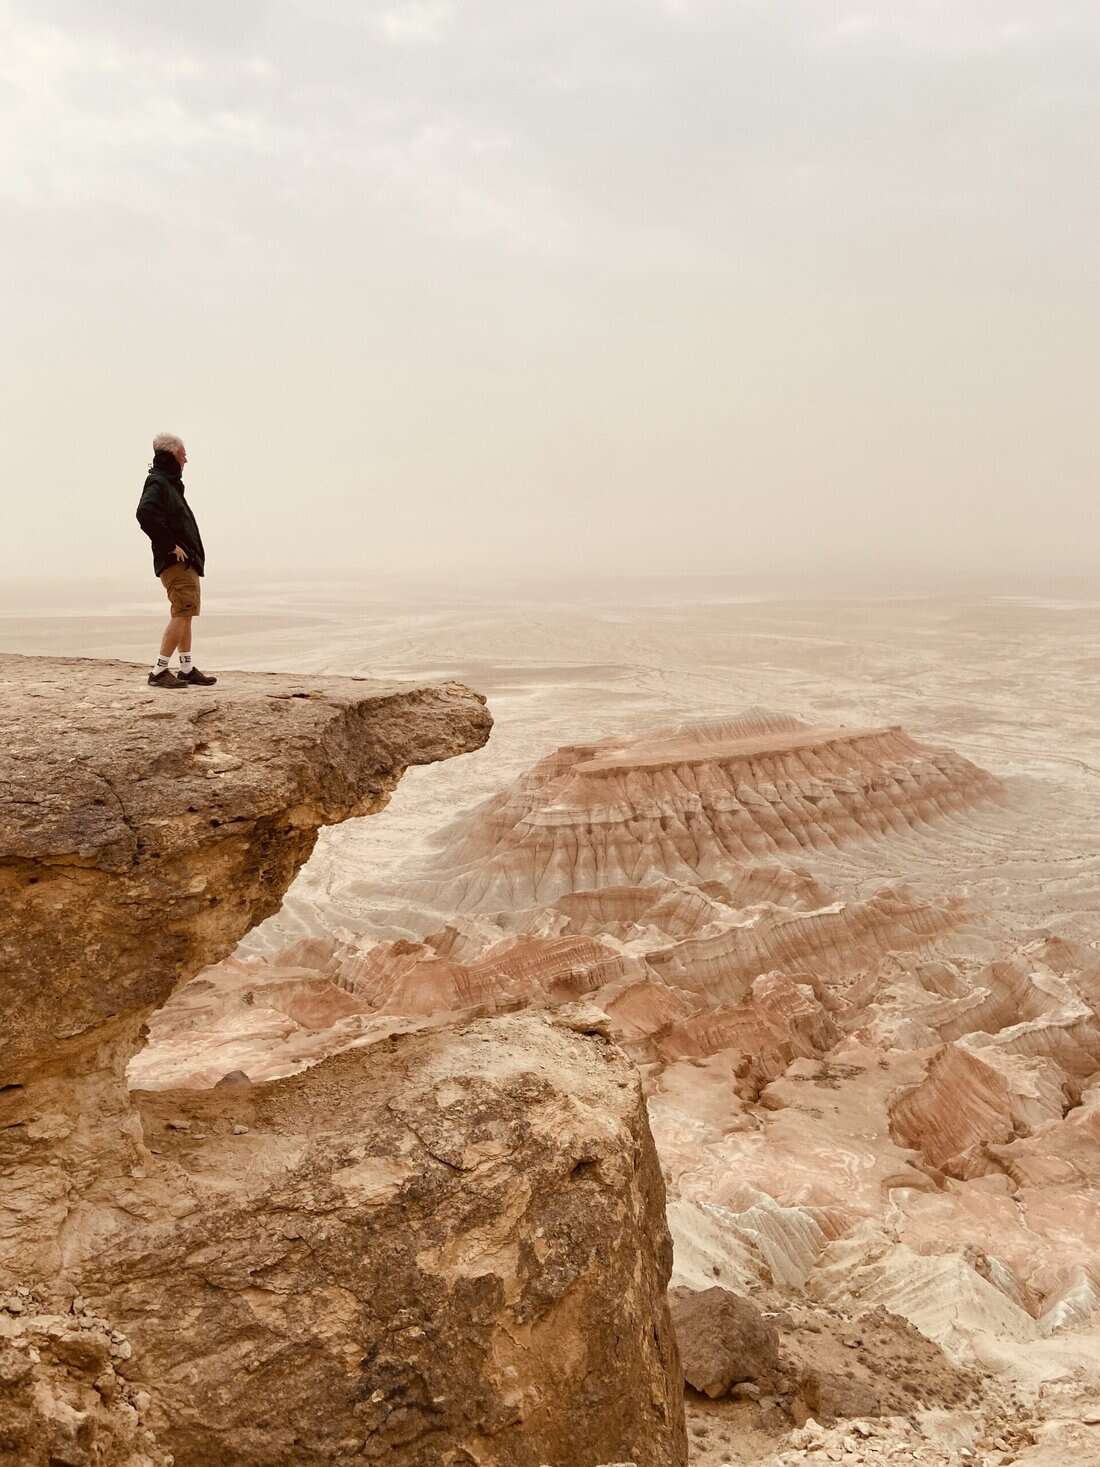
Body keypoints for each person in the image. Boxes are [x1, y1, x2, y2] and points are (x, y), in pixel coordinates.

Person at [136, 433, 217, 689]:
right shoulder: (158, 482)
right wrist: (170, 544)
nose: (186, 459)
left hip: (186, 562)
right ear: (171, 454)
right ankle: (159, 671)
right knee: (182, 612)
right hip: (175, 563)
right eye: (183, 454)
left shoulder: (168, 484)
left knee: (187, 612)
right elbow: (144, 514)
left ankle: (186, 668)